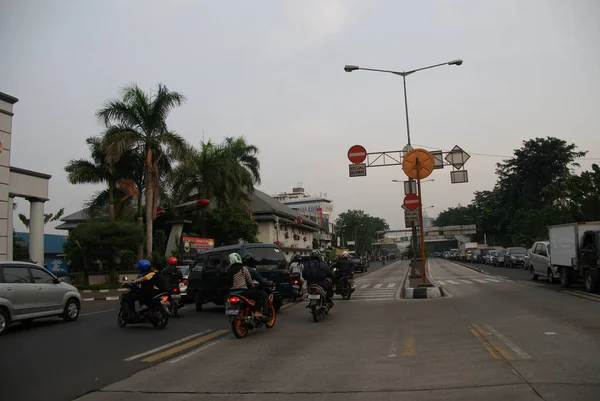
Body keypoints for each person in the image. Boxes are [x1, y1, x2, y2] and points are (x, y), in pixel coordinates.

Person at [227, 253, 264, 318]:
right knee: (258, 294)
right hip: (242, 292)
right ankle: (257, 312)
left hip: (231, 293)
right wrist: (253, 286)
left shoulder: (228, 270)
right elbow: (249, 280)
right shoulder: (243, 269)